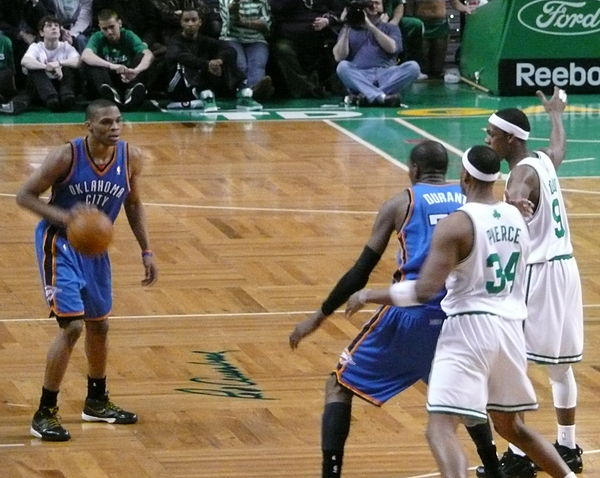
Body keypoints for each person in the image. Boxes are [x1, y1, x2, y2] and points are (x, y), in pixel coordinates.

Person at [345, 145, 576, 478]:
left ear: (464, 176)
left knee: (440, 428)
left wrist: (370, 294)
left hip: (470, 330)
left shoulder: (457, 224)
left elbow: (423, 291)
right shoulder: (518, 215)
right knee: (513, 429)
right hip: (511, 331)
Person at [289, 140, 503, 478]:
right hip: (457, 312)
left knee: (339, 385)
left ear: (413, 170)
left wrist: (318, 317)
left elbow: (360, 272)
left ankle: (330, 473)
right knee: (462, 396)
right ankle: (494, 469)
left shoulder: (400, 203)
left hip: (410, 309)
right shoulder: (468, 201)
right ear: (448, 170)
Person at [15, 98, 158, 441]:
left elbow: (133, 204)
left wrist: (147, 250)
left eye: (119, 121)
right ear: (88, 126)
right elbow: (25, 196)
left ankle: (96, 401)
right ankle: (45, 412)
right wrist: (67, 218)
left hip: (94, 247)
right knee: (73, 327)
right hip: (59, 244)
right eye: (106, 122)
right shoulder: (66, 156)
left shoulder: (130, 157)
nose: (115, 128)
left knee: (100, 325)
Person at [482, 87, 584, 477]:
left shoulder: (518, 178)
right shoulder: (540, 160)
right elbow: (557, 150)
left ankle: (519, 453)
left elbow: (514, 206)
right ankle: (568, 445)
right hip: (565, 268)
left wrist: (509, 208)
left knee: (511, 362)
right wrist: (556, 115)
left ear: (510, 138)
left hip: (539, 275)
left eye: (491, 132)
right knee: (559, 367)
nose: (486, 137)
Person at [165, 2, 262, 111]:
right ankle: (204, 94)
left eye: (193, 20)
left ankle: (243, 93)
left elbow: (229, 49)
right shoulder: (174, 41)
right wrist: (207, 64)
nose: (190, 24)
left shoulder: (205, 40)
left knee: (227, 55)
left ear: (200, 22)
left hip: (203, 81)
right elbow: (182, 57)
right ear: (181, 23)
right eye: (186, 20)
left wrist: (219, 60)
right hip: (179, 87)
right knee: (183, 64)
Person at [333, 0, 420, 107]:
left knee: (413, 67)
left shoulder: (390, 27)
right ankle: (381, 97)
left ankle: (367, 96)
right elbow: (339, 56)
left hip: (386, 75)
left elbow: (392, 48)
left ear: (383, 7)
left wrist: (370, 26)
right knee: (342, 66)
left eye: (377, 3)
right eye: (370, 4)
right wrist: (346, 25)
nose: (373, 6)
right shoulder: (349, 29)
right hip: (361, 75)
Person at [81, 9, 154, 109]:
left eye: (112, 27)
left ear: (119, 23)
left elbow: (148, 55)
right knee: (90, 62)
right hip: (108, 79)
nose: (109, 32)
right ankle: (110, 93)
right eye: (105, 29)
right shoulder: (97, 37)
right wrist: (112, 66)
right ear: (100, 27)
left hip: (128, 77)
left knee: (142, 56)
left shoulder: (128, 35)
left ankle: (132, 91)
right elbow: (85, 55)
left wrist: (136, 71)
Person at [270, 0, 343, 99]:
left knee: (336, 48)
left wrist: (327, 20)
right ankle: (309, 90)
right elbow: (277, 8)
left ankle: (320, 87)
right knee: (282, 49)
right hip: (289, 36)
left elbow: (340, 10)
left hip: (321, 36)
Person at [218, 0, 275, 101]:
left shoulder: (262, 1)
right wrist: (234, 10)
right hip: (231, 38)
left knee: (257, 65)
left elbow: (266, 25)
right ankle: (248, 93)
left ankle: (250, 93)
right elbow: (229, 25)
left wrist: (243, 22)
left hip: (256, 39)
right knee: (241, 65)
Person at [21, 16, 80, 111]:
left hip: (61, 85)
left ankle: (67, 96)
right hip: (42, 90)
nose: (54, 28)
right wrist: (46, 67)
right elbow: (25, 61)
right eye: (49, 26)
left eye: (56, 26)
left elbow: (78, 61)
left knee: (68, 65)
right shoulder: (36, 46)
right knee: (34, 69)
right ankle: (51, 99)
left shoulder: (66, 46)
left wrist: (58, 63)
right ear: (41, 32)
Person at [407, 0, 472, 80]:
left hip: (440, 25)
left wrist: (466, 9)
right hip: (422, 24)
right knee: (424, 64)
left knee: (438, 67)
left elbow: (455, 3)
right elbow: (409, 8)